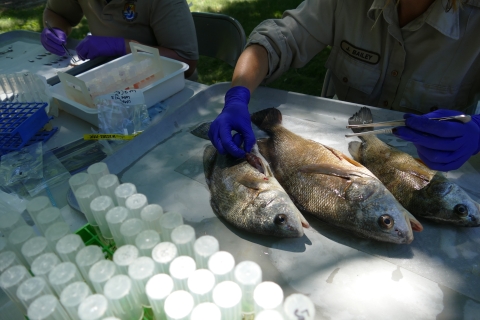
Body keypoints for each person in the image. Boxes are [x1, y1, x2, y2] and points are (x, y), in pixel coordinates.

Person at [208, 0, 480, 171]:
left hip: (433, 173)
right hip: (338, 157)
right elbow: (277, 41)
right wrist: (237, 96)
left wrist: (477, 133)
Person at [40, 0, 198, 78]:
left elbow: (186, 61)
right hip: (110, 80)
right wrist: (55, 29)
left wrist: (125, 47)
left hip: (165, 87)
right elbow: (55, 13)